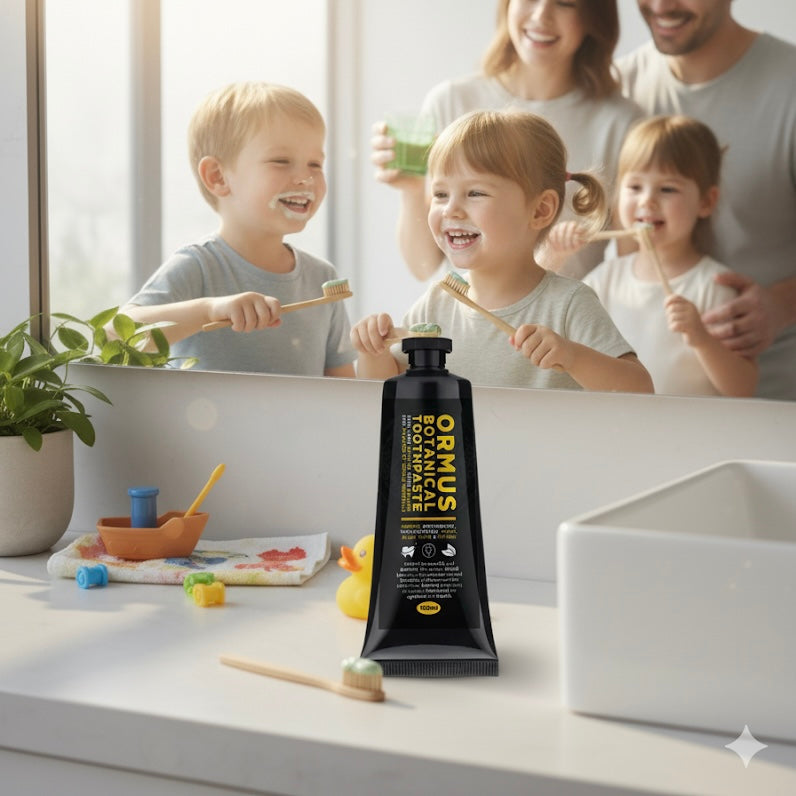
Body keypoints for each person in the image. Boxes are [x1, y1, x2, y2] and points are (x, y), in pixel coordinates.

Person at [352, 110, 653, 394]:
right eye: (441, 194)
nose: (451, 210)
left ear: (540, 210)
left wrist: (573, 356)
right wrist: (372, 353)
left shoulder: (568, 304)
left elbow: (640, 389)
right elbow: (387, 393)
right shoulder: (434, 307)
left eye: (475, 193)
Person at [371, 0, 643, 283]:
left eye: (565, 3)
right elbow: (424, 267)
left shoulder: (622, 124)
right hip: (459, 322)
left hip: (560, 325)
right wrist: (413, 191)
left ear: (593, 17)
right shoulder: (452, 101)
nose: (541, 16)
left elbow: (630, 271)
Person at [617, 0, 796, 401]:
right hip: (652, 417)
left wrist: (784, 303)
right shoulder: (620, 89)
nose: (662, 5)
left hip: (779, 408)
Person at [114, 81, 356, 377]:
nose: (306, 178)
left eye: (315, 164)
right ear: (218, 177)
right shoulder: (198, 268)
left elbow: (342, 389)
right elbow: (116, 336)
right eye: (281, 161)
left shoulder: (323, 279)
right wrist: (208, 310)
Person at [581, 115, 757, 397]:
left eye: (667, 189)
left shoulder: (714, 286)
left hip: (689, 437)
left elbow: (743, 387)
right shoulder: (605, 280)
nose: (647, 200)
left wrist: (701, 339)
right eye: (635, 187)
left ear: (706, 201)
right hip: (615, 432)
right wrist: (554, 253)